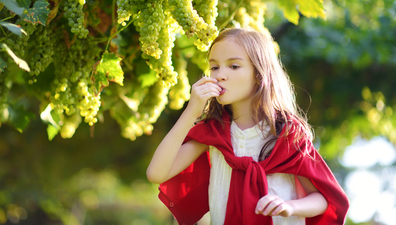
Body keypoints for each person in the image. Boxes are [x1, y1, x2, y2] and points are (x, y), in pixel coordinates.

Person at [146, 27, 349, 225]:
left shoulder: (287, 133)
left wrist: (290, 206)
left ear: (259, 74)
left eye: (233, 66)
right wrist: (191, 112)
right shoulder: (213, 131)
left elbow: (321, 199)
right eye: (215, 67)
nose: (220, 75)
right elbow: (156, 173)